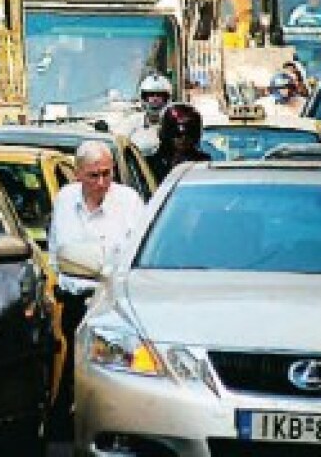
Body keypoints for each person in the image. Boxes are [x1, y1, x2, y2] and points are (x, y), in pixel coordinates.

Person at [47, 140, 146, 429]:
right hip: (75, 304)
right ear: (77, 174)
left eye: (107, 174)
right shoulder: (65, 201)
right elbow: (57, 253)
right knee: (71, 381)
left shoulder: (129, 203)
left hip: (114, 307)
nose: (102, 183)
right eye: (94, 175)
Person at [146, 103, 212, 182]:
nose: (183, 138)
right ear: (166, 133)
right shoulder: (150, 164)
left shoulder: (203, 162)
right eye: (176, 133)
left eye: (189, 134)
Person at [128, 73, 172, 154]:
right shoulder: (132, 121)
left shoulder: (173, 123)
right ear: (143, 97)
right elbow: (117, 139)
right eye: (151, 95)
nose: (155, 99)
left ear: (167, 98)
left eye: (159, 95)